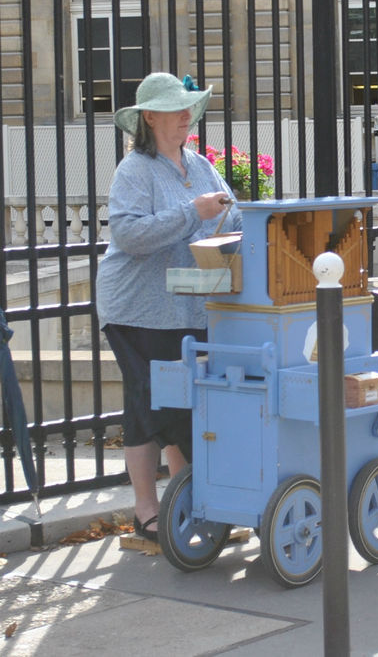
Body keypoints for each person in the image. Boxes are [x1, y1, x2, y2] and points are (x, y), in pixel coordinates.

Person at [96, 72, 241, 542]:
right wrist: (191, 214)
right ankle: (147, 511)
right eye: (177, 109)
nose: (187, 116)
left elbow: (231, 213)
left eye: (190, 108)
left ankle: (188, 500)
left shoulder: (199, 164)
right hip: (137, 310)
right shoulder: (134, 170)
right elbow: (129, 236)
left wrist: (235, 219)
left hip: (190, 307)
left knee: (185, 403)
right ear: (150, 117)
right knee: (150, 404)